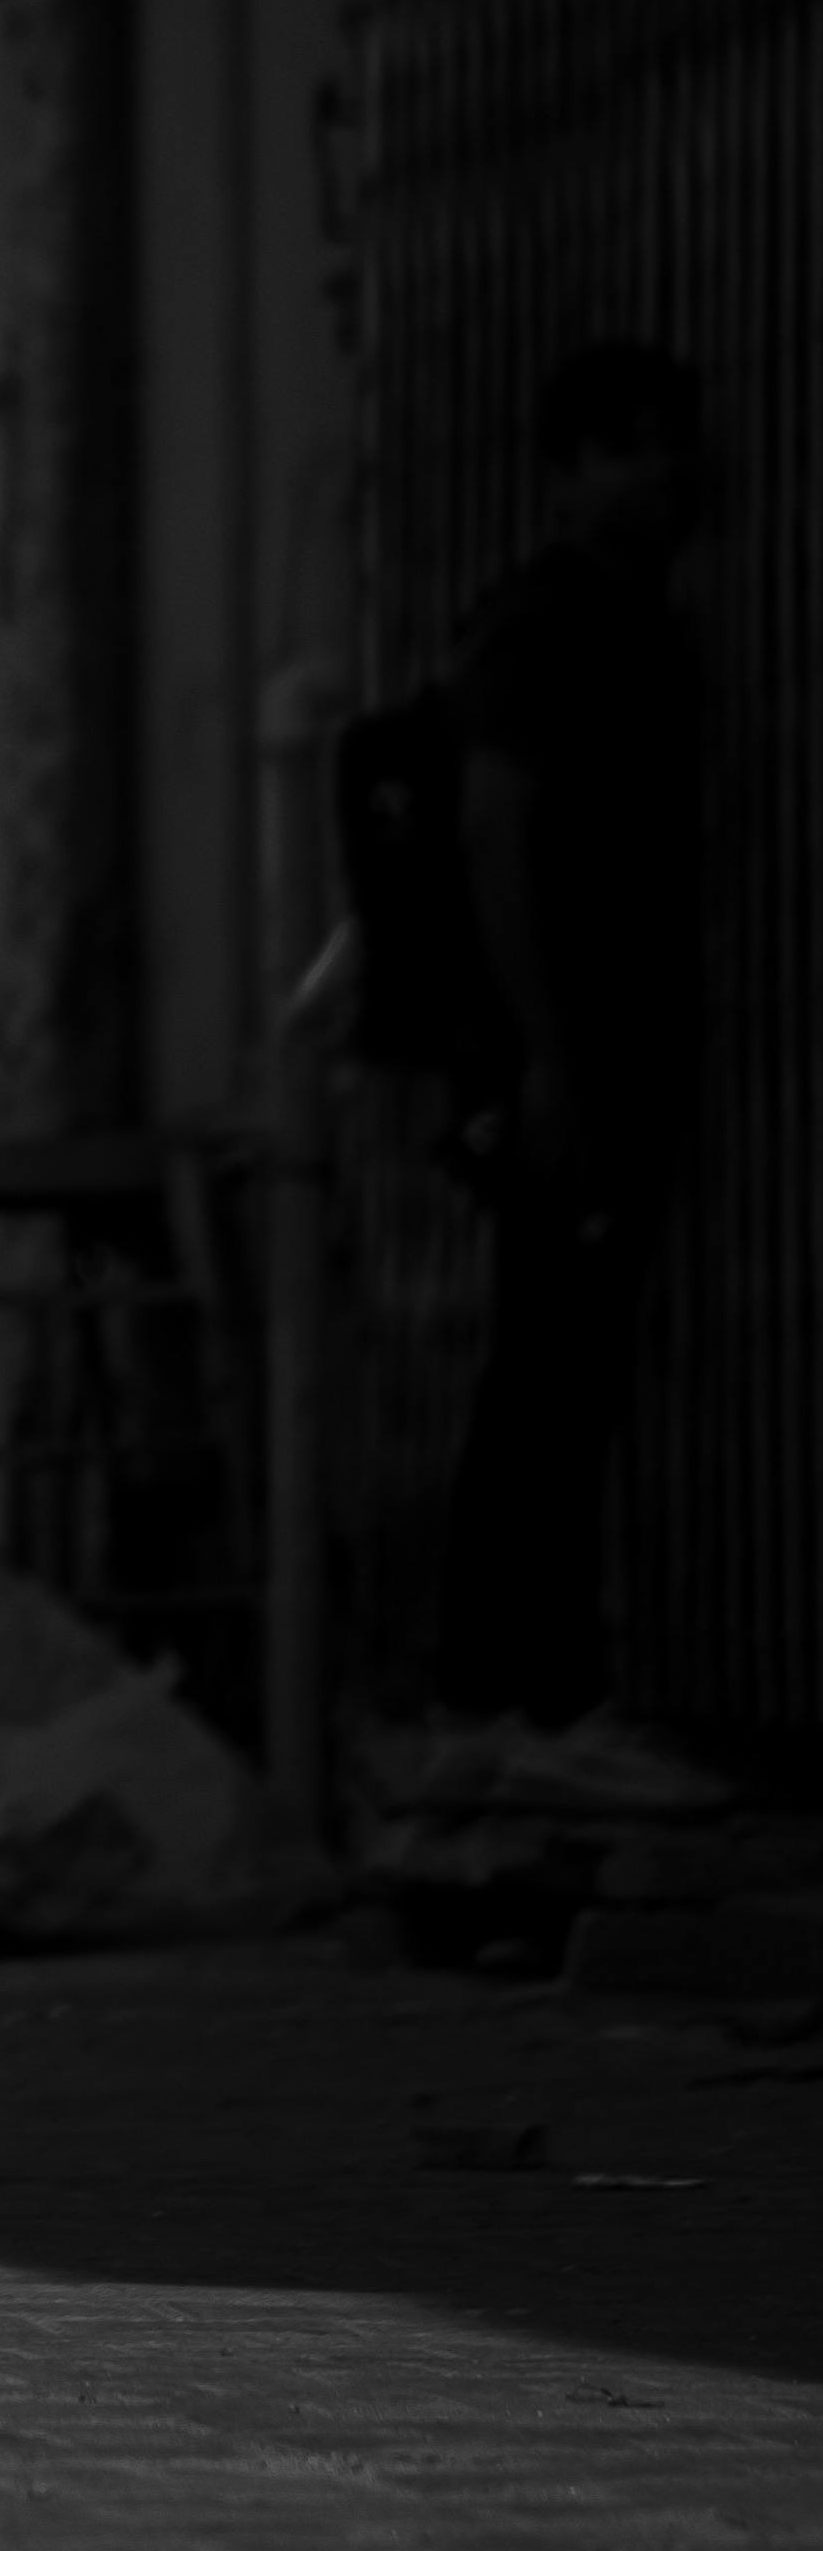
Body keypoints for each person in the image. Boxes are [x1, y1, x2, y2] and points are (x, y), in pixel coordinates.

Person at [432, 336, 714, 1804]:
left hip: (619, 1050)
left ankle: (538, 1686)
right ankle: (507, 1691)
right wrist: (545, 1059)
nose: (661, 470)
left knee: (578, 1365)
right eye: (627, 445)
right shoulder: (544, 624)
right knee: (545, 1364)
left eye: (671, 441)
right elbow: (494, 827)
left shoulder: (640, 625)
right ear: (565, 471)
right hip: (568, 1061)